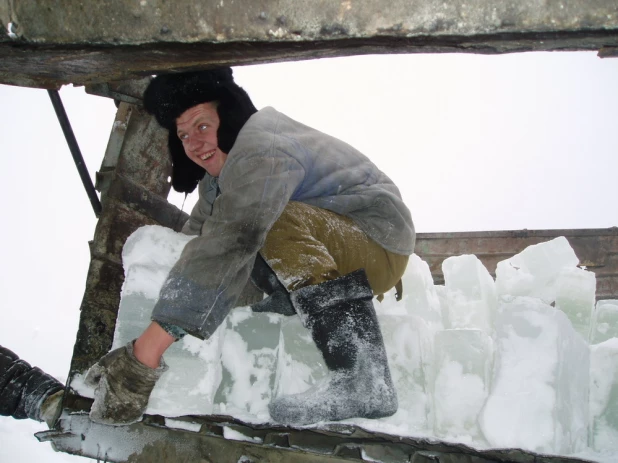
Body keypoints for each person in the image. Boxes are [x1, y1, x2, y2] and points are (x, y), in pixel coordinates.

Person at [85, 68, 415, 426]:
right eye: (183, 135)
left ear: (229, 117)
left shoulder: (261, 148)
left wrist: (146, 352)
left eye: (202, 126)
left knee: (266, 224)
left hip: (378, 240)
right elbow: (194, 241)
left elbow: (233, 238)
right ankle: (291, 301)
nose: (194, 144)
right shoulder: (218, 183)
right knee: (232, 243)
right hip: (333, 246)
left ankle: (365, 379)